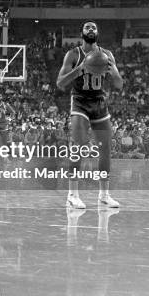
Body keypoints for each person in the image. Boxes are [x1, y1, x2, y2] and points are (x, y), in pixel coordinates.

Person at [56, 21, 123, 209]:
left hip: (100, 103)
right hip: (79, 102)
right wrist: (80, 69)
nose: (91, 29)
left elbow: (119, 84)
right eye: (87, 27)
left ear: (98, 33)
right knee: (78, 147)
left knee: (105, 149)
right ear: (81, 33)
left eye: (94, 27)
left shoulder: (107, 55)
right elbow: (60, 83)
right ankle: (72, 194)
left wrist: (114, 71)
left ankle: (104, 195)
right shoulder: (73, 54)